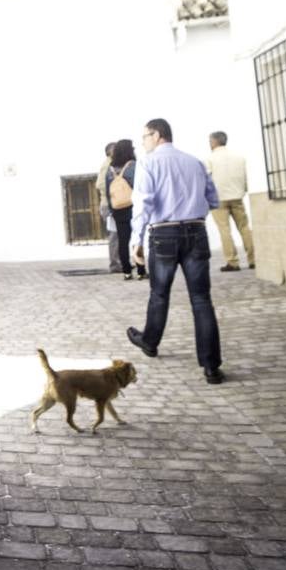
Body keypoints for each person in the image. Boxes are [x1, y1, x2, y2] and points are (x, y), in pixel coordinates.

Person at [125, 118, 225, 384]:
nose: (143, 142)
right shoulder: (195, 162)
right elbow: (213, 199)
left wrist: (136, 241)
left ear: (157, 135)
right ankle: (211, 366)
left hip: (164, 234)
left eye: (145, 136)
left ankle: (150, 342)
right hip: (196, 231)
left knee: (159, 294)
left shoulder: (149, 162)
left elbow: (143, 202)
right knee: (201, 299)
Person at [206, 131, 255, 272]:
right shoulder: (239, 157)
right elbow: (245, 178)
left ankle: (232, 262)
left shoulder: (210, 159)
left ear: (214, 142)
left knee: (224, 230)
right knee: (244, 227)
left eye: (210, 141)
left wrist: (208, 198)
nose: (209, 143)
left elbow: (208, 181)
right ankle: (253, 259)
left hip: (219, 199)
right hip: (237, 197)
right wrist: (243, 191)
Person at [105, 139, 146, 280]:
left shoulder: (110, 169)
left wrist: (112, 209)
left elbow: (107, 191)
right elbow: (139, 187)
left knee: (123, 240)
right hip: (132, 207)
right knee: (137, 239)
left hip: (117, 209)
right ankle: (141, 270)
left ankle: (127, 272)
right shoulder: (132, 166)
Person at [95, 142, 122, 272]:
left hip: (113, 203)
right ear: (110, 152)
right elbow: (99, 184)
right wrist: (114, 191)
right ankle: (115, 264)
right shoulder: (108, 164)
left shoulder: (114, 164)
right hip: (109, 204)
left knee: (120, 234)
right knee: (115, 235)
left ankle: (120, 262)